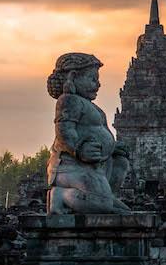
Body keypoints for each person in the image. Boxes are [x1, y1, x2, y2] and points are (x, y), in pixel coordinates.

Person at [45, 53, 131, 214]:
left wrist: (113, 147)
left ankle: (104, 197)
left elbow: (99, 131)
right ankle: (61, 195)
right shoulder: (68, 100)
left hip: (94, 166)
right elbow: (64, 132)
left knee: (121, 163)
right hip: (69, 167)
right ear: (73, 76)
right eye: (92, 79)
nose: (98, 84)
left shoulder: (91, 107)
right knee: (103, 207)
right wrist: (78, 149)